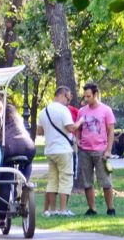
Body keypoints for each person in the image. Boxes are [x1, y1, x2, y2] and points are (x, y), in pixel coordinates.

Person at [0, 93, 36, 231]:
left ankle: (2, 217)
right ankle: (23, 188)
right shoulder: (12, 109)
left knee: (6, 177)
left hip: (9, 146)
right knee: (27, 163)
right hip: (28, 144)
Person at [76, 83, 116, 216]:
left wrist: (108, 150)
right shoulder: (82, 111)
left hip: (101, 150)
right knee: (87, 182)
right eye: (85, 96)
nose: (86, 99)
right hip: (84, 151)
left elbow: (111, 131)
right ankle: (92, 209)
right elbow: (78, 129)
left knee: (105, 181)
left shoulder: (106, 110)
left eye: (89, 96)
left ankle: (110, 208)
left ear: (95, 94)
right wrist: (78, 140)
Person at [40, 86, 81, 218]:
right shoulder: (63, 110)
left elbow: (40, 131)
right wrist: (80, 121)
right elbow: (71, 128)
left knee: (52, 180)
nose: (68, 101)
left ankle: (52, 210)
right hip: (63, 149)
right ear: (62, 95)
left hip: (50, 149)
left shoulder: (43, 111)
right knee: (65, 179)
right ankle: (63, 209)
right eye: (68, 98)